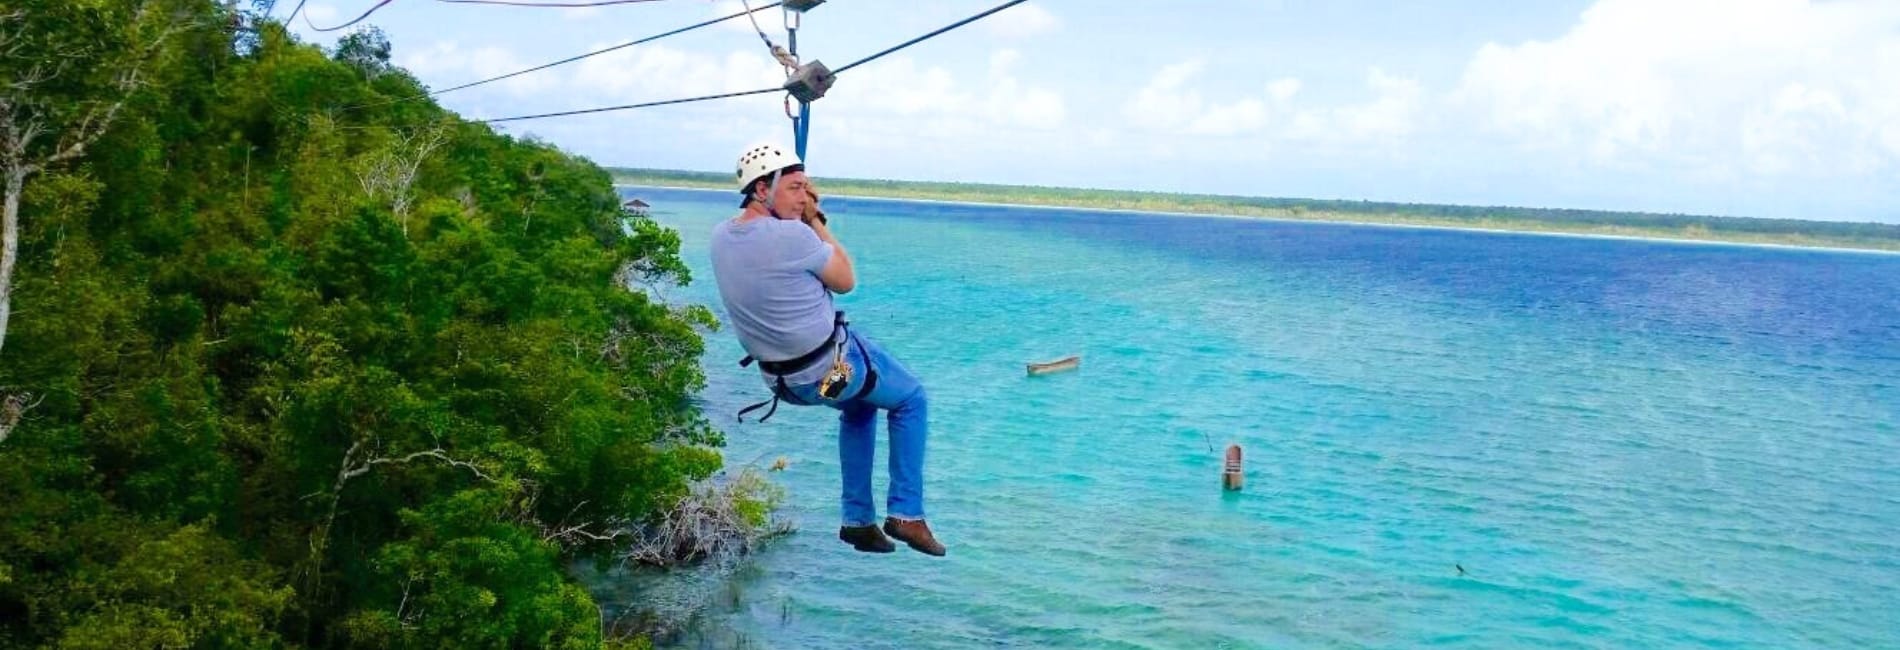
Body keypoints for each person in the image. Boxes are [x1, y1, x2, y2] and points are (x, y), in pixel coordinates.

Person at [708, 143, 946, 557]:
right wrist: (815, 221)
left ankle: (857, 521)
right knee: (911, 399)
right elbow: (845, 278)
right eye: (797, 188)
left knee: (859, 408)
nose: (804, 198)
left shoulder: (722, 236)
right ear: (763, 189)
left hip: (787, 385)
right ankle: (906, 513)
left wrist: (798, 210)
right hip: (834, 372)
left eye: (807, 191)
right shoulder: (793, 235)